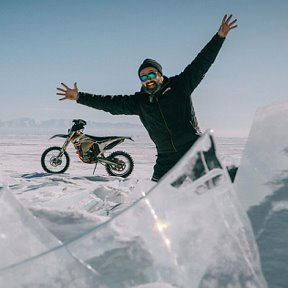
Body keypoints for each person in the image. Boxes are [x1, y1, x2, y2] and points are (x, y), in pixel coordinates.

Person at [57, 14, 238, 182]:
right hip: (166, 157)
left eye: (151, 74)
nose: (148, 79)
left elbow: (202, 62)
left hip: (193, 150)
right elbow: (109, 103)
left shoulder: (180, 86)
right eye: (143, 77)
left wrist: (219, 37)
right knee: (158, 201)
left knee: (216, 187)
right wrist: (80, 97)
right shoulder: (139, 102)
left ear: (160, 75)